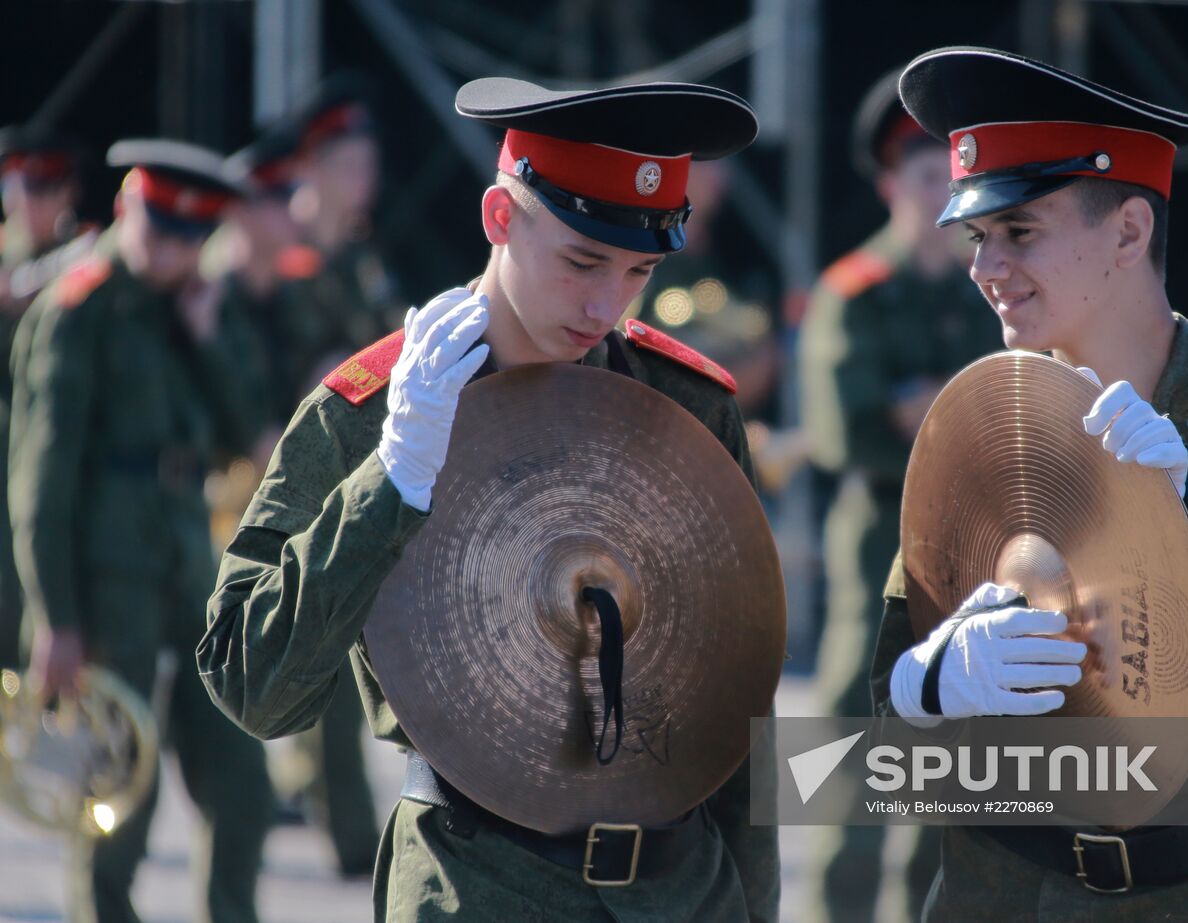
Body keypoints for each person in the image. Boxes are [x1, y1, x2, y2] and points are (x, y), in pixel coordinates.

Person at [197, 78, 780, 922]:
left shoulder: (687, 405)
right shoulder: (370, 411)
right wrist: (391, 480)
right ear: (500, 219)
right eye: (581, 260)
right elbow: (253, 686)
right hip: (478, 883)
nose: (605, 304)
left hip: (682, 889)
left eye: (638, 270)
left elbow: (737, 708)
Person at [870, 47, 1188, 921]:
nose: (984, 269)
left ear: (1129, 232)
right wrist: (924, 689)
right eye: (977, 237)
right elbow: (878, 728)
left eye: (1019, 231)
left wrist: (1186, 518)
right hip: (998, 892)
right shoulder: (986, 426)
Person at [9, 139, 273, 923]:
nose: (170, 254)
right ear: (127, 209)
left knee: (241, 780)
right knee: (116, 791)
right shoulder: (78, 309)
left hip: (187, 570)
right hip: (102, 582)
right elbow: (42, 476)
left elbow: (245, 434)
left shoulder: (194, 308)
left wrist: (208, 333)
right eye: (159, 233)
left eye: (190, 240)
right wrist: (54, 615)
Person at [797, 69, 1000, 923]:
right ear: (890, 183)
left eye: (949, 178)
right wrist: (947, 416)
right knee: (860, 727)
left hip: (970, 536)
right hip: (881, 526)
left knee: (956, 737)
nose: (937, 193)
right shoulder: (855, 292)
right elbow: (841, 432)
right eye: (922, 176)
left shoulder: (981, 282)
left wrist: (927, 403)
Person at [211, 127, 384, 876]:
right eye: (273, 198)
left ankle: (346, 837)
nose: (288, 212)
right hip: (224, 511)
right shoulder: (215, 295)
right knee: (222, 698)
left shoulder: (292, 283)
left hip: (284, 500)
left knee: (328, 682)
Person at [0, 125, 98, 668]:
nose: (30, 203)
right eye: (21, 186)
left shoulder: (84, 254)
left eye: (45, 188)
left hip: (60, 463)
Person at [281, 74, 404, 377]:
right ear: (312, 167)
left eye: (369, 165)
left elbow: (389, 325)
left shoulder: (361, 249)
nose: (364, 179)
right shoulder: (276, 241)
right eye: (349, 166)